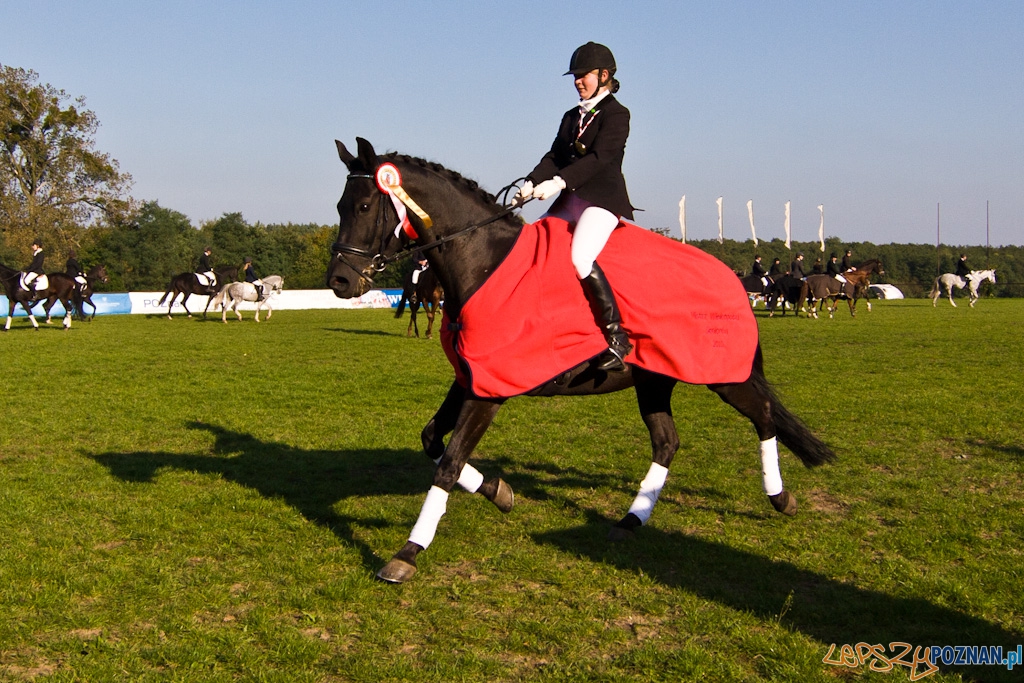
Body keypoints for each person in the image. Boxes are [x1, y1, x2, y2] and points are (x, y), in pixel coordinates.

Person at [514, 42, 634, 371]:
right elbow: (554, 156)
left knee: (580, 255)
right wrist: (530, 182)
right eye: (576, 76)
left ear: (604, 75)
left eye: (584, 75)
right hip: (570, 198)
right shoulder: (571, 116)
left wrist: (559, 182)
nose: (578, 81)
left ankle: (616, 337)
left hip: (601, 199)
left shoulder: (617, 114)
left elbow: (599, 159)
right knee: (536, 241)